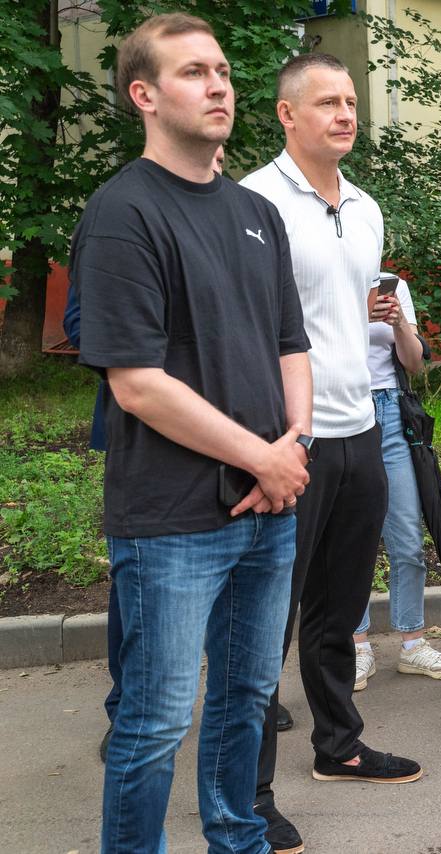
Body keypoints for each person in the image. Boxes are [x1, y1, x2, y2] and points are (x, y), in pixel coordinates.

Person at [73, 14, 312, 852]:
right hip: (172, 520)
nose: (218, 86)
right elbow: (137, 384)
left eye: (223, 71)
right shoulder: (123, 212)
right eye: (193, 73)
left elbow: (290, 344)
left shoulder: (256, 212)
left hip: (268, 508)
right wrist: (264, 460)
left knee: (247, 699)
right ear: (144, 95)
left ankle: (237, 838)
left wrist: (293, 449)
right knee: (156, 720)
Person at [241, 53, 420, 854]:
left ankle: (338, 746)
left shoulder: (367, 206)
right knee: (264, 624)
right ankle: (247, 794)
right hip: (291, 439)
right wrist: (271, 440)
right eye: (327, 103)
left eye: (351, 102)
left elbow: (351, 321)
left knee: (338, 611)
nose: (346, 114)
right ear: (287, 114)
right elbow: (244, 333)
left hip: (362, 429)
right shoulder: (253, 201)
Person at [72, 145, 226, 765]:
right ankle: (128, 708)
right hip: (150, 433)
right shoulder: (122, 217)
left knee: (235, 570)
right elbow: (84, 323)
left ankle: (237, 696)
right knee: (142, 586)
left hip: (230, 428)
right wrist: (166, 355)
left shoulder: (234, 221)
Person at [350, 276, 441, 688]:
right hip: (344, 410)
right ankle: (356, 646)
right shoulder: (327, 277)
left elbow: (414, 363)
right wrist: (360, 313)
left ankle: (413, 643)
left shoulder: (391, 286)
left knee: (407, 540)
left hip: (392, 412)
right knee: (351, 541)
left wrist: (398, 322)